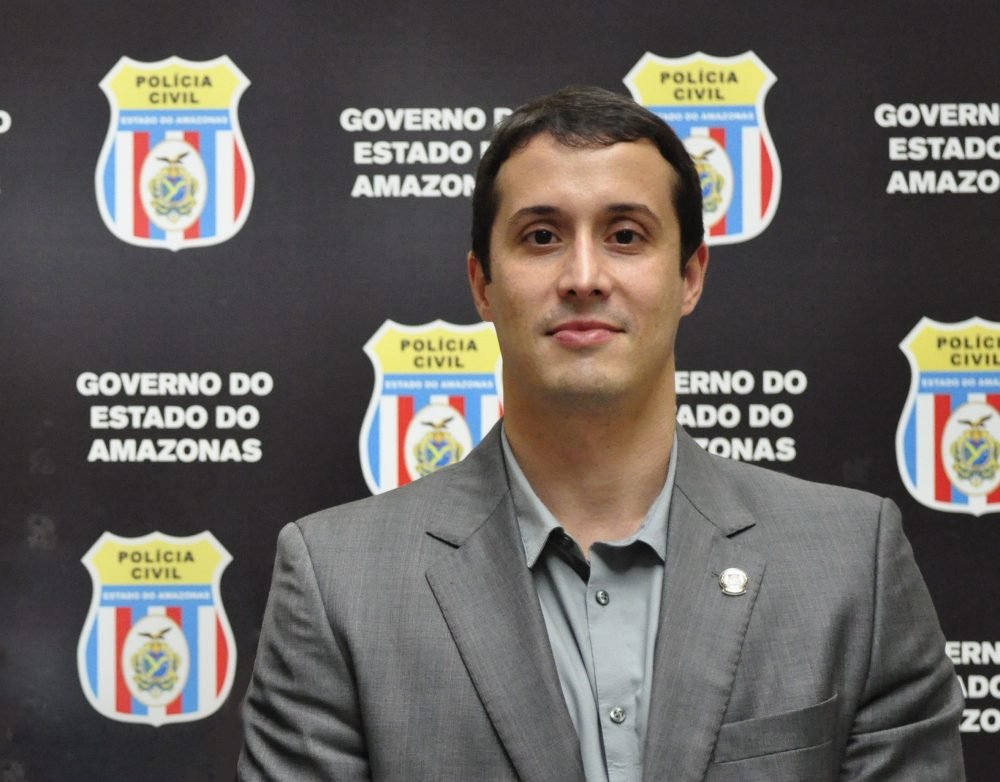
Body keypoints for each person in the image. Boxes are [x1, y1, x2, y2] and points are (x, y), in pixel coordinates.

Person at [238, 86, 964, 781]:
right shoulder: (338, 586)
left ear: (690, 276)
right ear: (483, 286)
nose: (583, 276)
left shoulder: (851, 568)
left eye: (625, 236)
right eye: (541, 236)